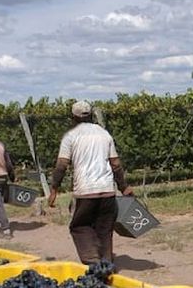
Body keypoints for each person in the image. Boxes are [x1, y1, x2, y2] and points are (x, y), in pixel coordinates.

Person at [47, 100, 133, 264]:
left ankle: (93, 261)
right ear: (91, 115)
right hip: (107, 189)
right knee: (104, 228)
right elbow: (115, 164)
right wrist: (124, 187)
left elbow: (61, 165)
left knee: (80, 226)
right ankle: (106, 262)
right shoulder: (104, 134)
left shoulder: (71, 137)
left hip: (86, 191)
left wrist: (54, 190)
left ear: (73, 117)